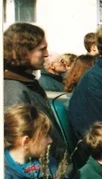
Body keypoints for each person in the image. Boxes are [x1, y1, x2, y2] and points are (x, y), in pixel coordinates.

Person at [3, 23, 66, 156]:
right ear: (23, 51)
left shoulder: (28, 83)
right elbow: (19, 147)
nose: (46, 54)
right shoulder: (14, 90)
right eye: (42, 49)